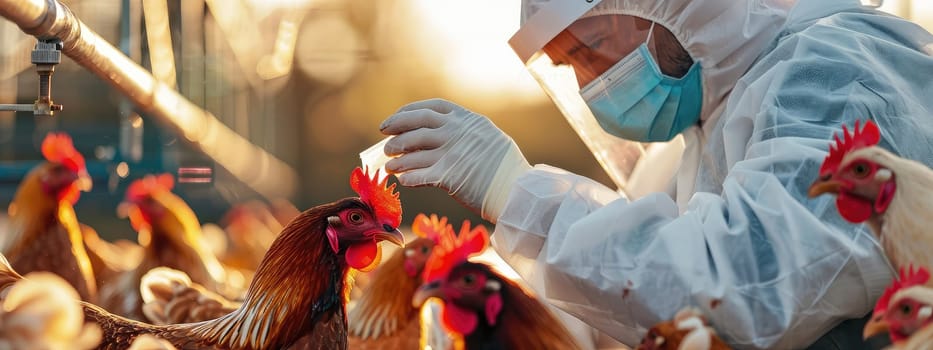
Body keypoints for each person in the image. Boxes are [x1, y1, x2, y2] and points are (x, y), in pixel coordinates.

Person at [378, 0, 933, 348]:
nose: (591, 85)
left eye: (592, 48)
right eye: (569, 67)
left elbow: (741, 288)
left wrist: (513, 191)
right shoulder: (706, 133)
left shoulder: (835, 77)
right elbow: (635, 300)